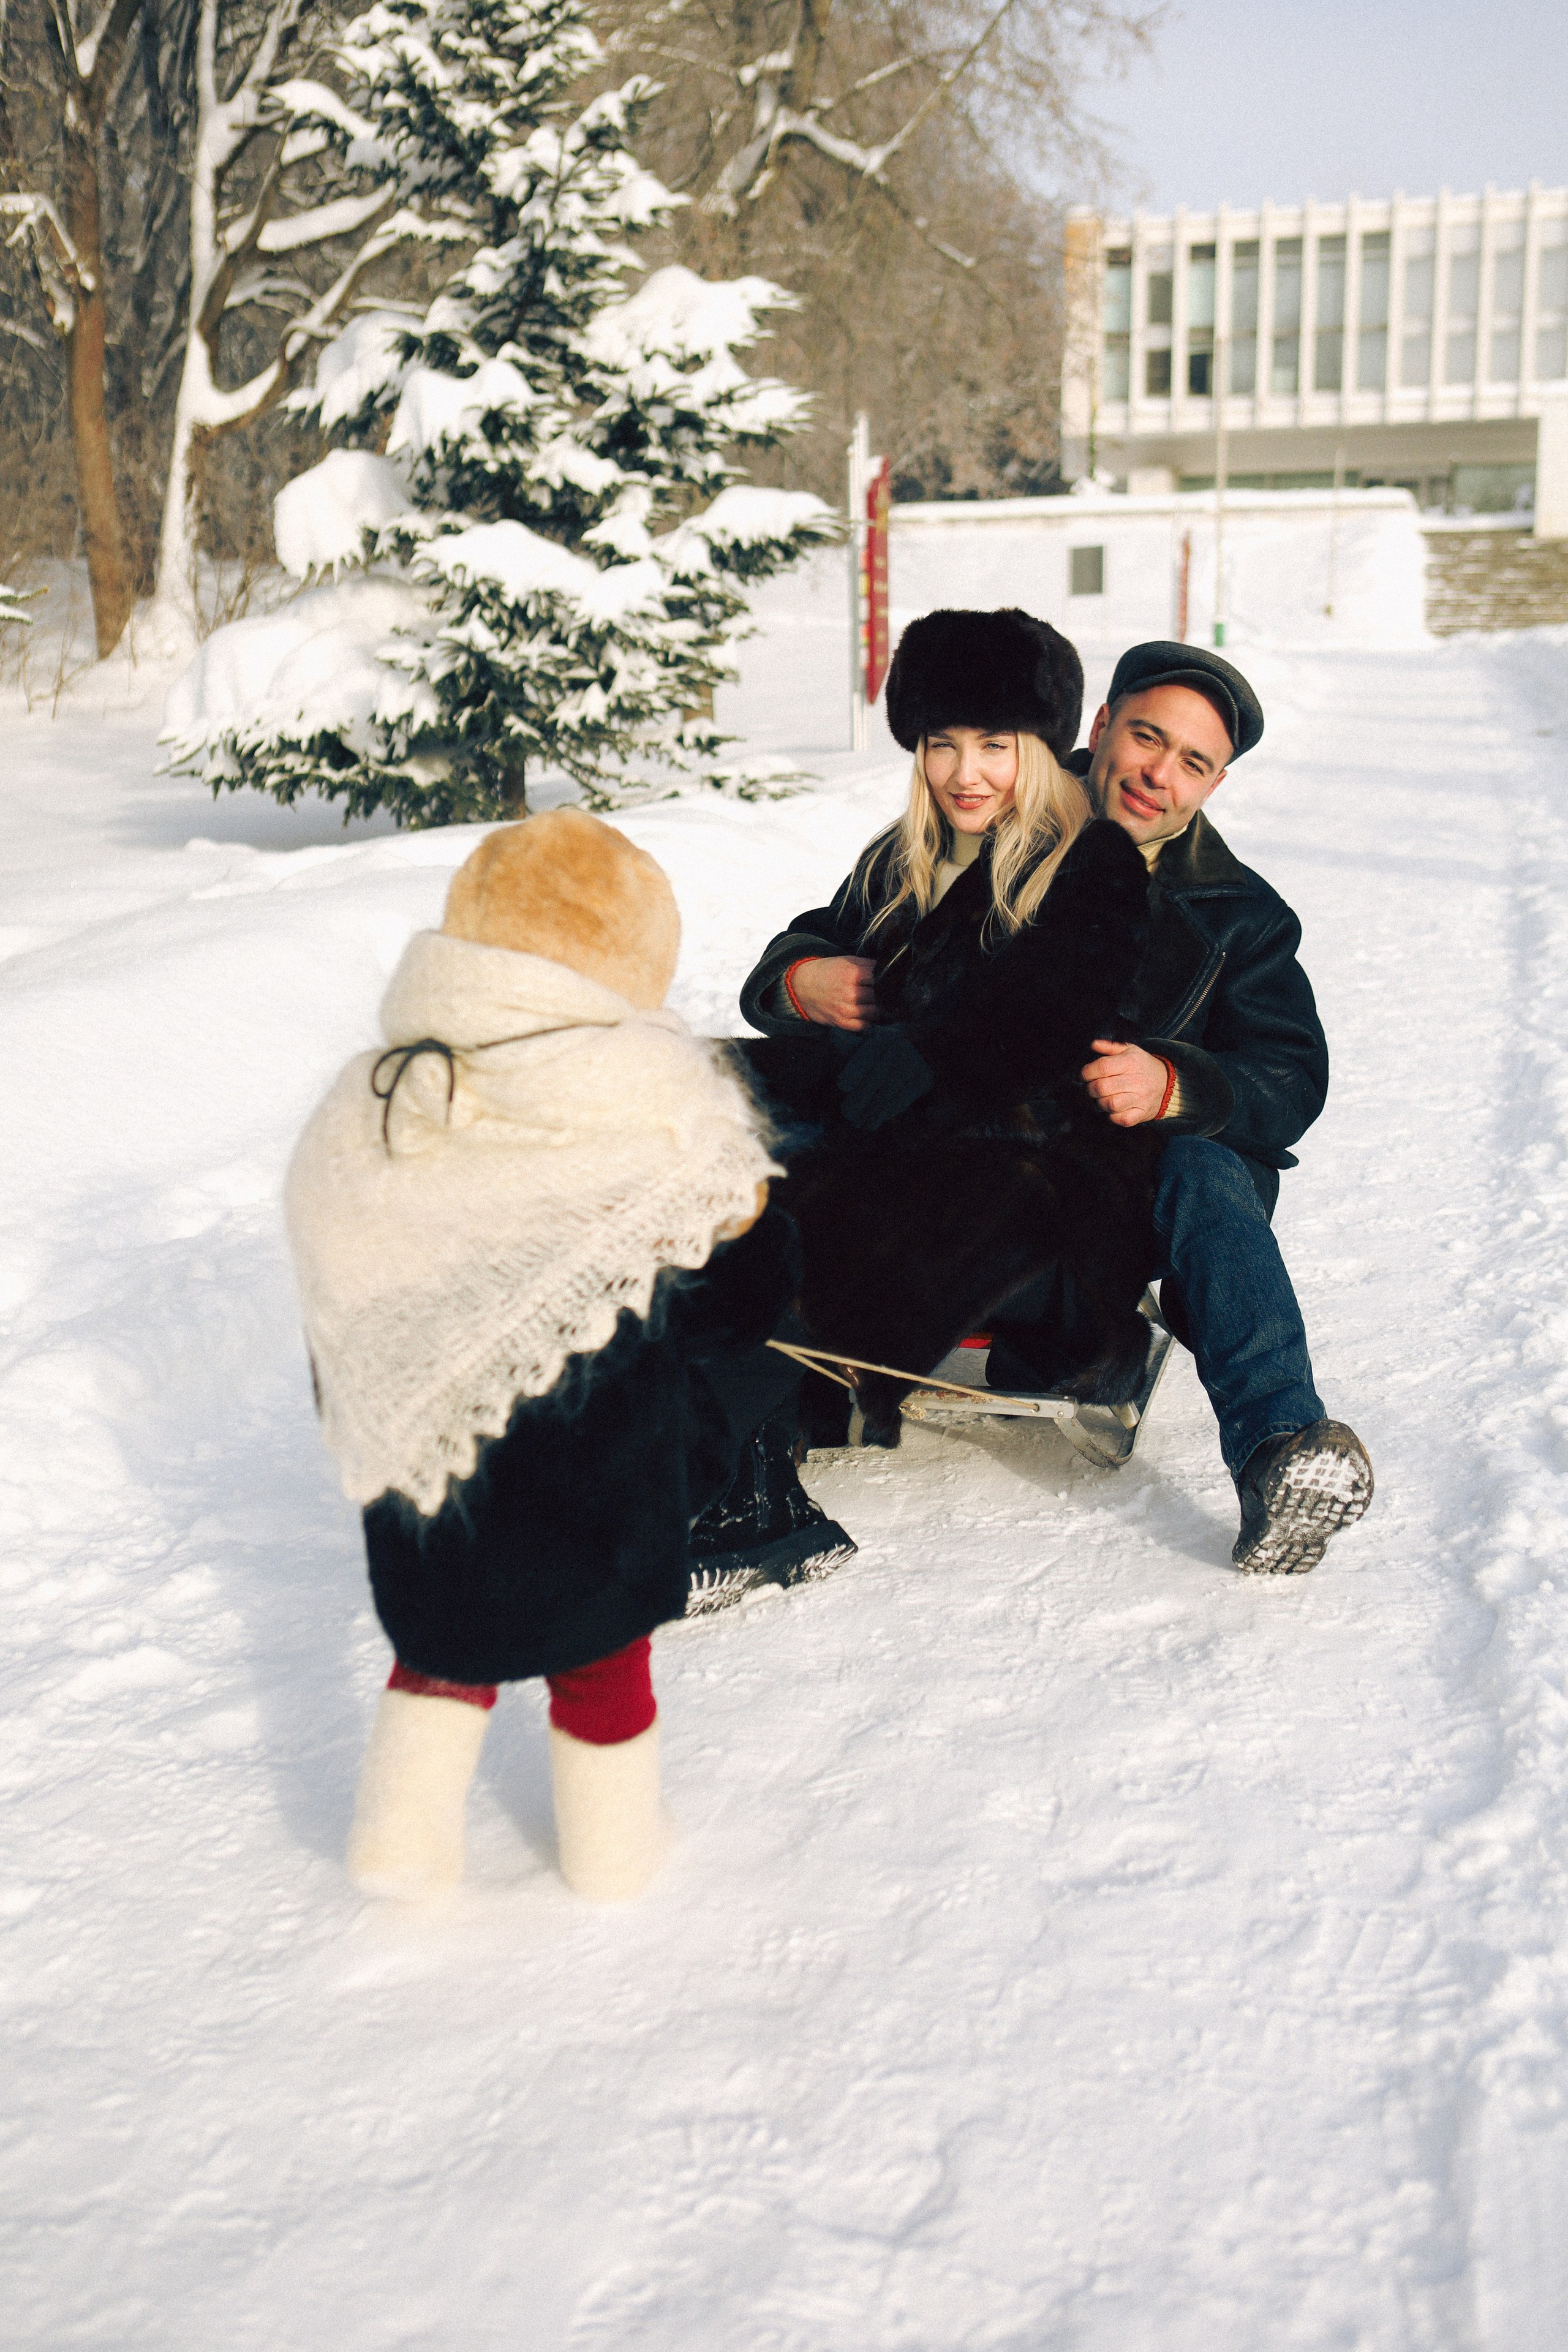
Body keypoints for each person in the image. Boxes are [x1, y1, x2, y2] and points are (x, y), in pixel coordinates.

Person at [741, 625, 1373, 1576]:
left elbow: (1289, 1082)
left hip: (1107, 1195)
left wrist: (1178, 1083)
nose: (1160, 773)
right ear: (1103, 722)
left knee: (1205, 1161)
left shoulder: (1242, 918)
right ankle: (725, 1422)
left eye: (1194, 763)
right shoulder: (981, 813)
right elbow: (795, 960)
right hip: (946, 1172)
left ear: (1214, 785)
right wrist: (803, 984)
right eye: (1149, 737)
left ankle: (1282, 1450)